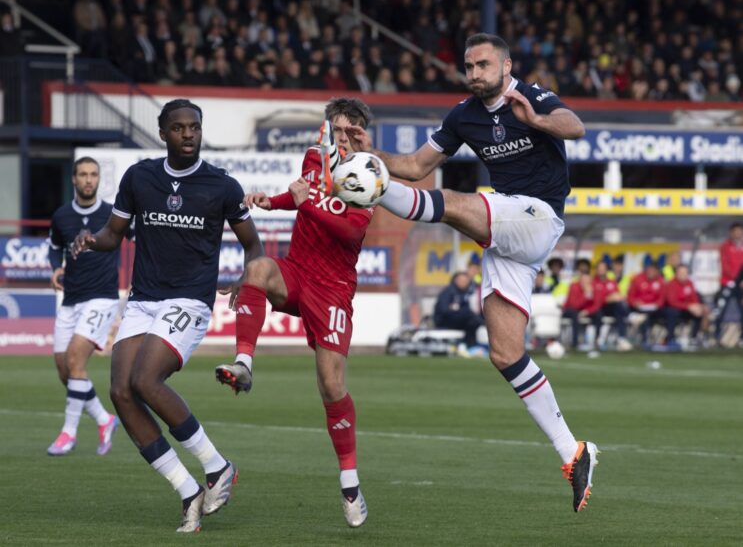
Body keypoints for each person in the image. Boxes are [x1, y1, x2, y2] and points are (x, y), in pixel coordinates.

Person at [346, 33, 597, 512]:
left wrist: (537, 120)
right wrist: (372, 155)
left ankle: (374, 192)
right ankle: (574, 452)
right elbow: (417, 165)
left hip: (538, 216)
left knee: (458, 203)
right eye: (469, 65)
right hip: (508, 235)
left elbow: (575, 126)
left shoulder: (531, 96)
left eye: (483, 64)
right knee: (505, 353)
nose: (475, 72)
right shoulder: (463, 115)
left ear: (506, 66)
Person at [72, 99, 264, 533]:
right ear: (163, 133)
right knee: (121, 390)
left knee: (144, 380)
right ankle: (187, 489)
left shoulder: (222, 186)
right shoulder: (139, 177)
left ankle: (217, 467)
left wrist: (247, 275)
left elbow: (254, 244)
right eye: (178, 128)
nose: (188, 134)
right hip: (142, 300)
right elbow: (113, 234)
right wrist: (90, 240)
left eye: (194, 127)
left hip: (190, 300)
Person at [214, 98, 374, 528]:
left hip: (334, 290)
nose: (340, 137)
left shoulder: (372, 174)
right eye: (335, 129)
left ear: (361, 133)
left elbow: (350, 229)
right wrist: (275, 201)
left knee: (331, 384)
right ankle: (244, 364)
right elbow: (300, 195)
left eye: (348, 131)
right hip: (298, 271)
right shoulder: (314, 159)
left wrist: (305, 204)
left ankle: (350, 484)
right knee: (258, 268)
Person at [46, 156, 121, 457]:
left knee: (77, 360)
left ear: (98, 179)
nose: (89, 179)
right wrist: (54, 268)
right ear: (74, 180)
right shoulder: (61, 216)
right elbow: (53, 249)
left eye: (93, 174)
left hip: (102, 297)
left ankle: (68, 433)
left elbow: (139, 239)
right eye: (83, 174)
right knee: (66, 371)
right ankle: (105, 420)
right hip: (70, 300)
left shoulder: (112, 215)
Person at [434, 271, 485, 349]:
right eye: (461, 280)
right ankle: (471, 345)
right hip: (444, 321)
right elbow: (444, 310)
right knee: (468, 315)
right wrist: (458, 310)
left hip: (461, 321)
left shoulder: (467, 293)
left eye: (465, 281)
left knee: (473, 322)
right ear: (455, 280)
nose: (464, 283)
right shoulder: (448, 292)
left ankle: (472, 346)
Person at [665, 264, 709, 347]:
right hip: (673, 310)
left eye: (685, 273)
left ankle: (694, 338)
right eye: (681, 273)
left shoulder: (689, 283)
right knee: (673, 313)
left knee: (700, 312)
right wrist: (688, 306)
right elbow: (672, 302)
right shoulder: (671, 284)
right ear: (676, 273)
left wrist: (697, 307)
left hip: (686, 310)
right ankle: (670, 339)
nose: (683, 275)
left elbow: (694, 298)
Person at [627, 259, 669, 346]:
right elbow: (630, 296)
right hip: (639, 308)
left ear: (657, 271)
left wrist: (657, 304)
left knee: (672, 313)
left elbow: (662, 298)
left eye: (653, 270)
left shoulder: (661, 281)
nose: (651, 272)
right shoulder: (638, 279)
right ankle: (644, 339)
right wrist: (635, 302)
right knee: (644, 316)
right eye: (649, 269)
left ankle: (669, 340)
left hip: (655, 309)